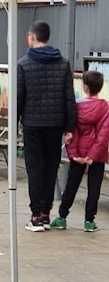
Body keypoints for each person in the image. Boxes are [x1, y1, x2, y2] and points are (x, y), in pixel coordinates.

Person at [18, 20, 76, 232]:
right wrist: (70, 127)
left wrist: (14, 126)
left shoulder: (24, 64)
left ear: (32, 37)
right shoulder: (63, 63)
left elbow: (18, 97)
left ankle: (35, 216)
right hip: (56, 124)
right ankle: (45, 213)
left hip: (33, 123)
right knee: (51, 168)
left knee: (35, 168)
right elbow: (69, 97)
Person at [51, 70, 108, 232]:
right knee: (94, 187)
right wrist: (92, 156)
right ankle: (89, 221)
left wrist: (74, 154)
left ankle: (62, 217)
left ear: (85, 87)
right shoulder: (104, 108)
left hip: (79, 153)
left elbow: (72, 133)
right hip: (98, 155)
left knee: (72, 184)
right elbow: (103, 134)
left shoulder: (77, 108)